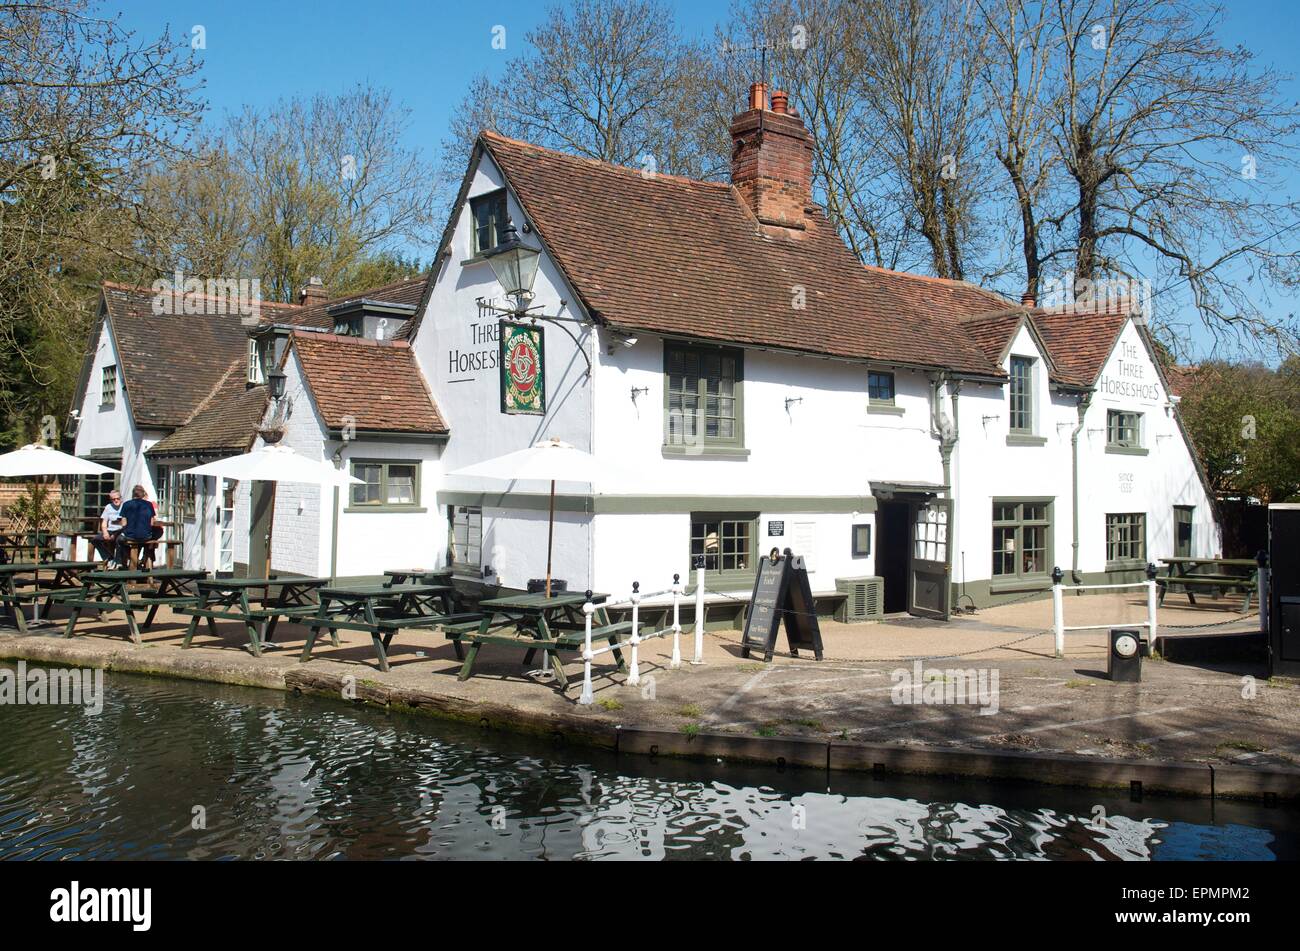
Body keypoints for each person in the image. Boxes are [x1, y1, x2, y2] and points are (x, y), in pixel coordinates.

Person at [114, 485, 159, 569]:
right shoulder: (149, 505)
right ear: (142, 494)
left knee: (119, 540)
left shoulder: (126, 504)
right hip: (146, 536)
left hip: (130, 536)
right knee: (147, 540)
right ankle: (141, 561)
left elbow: (124, 523)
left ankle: (131, 560)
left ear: (133, 494)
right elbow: (152, 523)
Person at [92, 489, 124, 565]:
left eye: (118, 498)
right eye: (113, 499)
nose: (116, 501)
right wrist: (105, 532)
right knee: (95, 540)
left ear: (121, 498)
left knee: (120, 540)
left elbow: (125, 523)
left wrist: (114, 535)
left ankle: (118, 562)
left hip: (121, 530)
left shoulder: (125, 506)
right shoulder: (108, 507)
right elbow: (104, 522)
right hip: (110, 530)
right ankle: (108, 557)